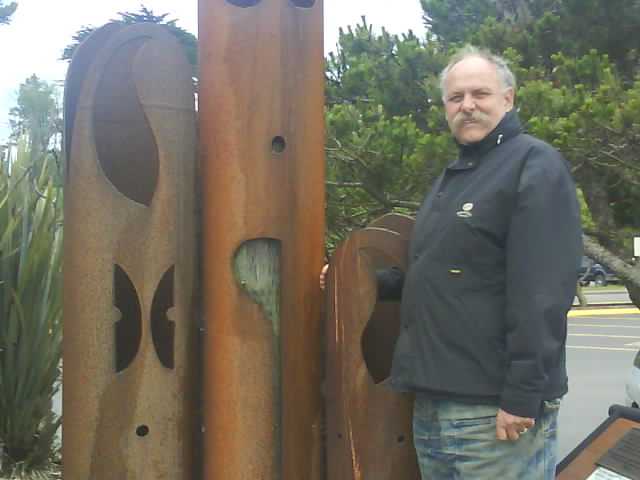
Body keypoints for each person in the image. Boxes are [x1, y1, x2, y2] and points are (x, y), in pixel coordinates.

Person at [320, 45, 582, 479]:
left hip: (492, 412)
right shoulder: (454, 177)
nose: (468, 106)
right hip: (435, 404)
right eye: (455, 98)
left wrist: (521, 396)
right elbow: (437, 273)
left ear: (508, 99)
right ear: (445, 108)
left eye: (480, 93)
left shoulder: (533, 166)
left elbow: (543, 293)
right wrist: (351, 281)